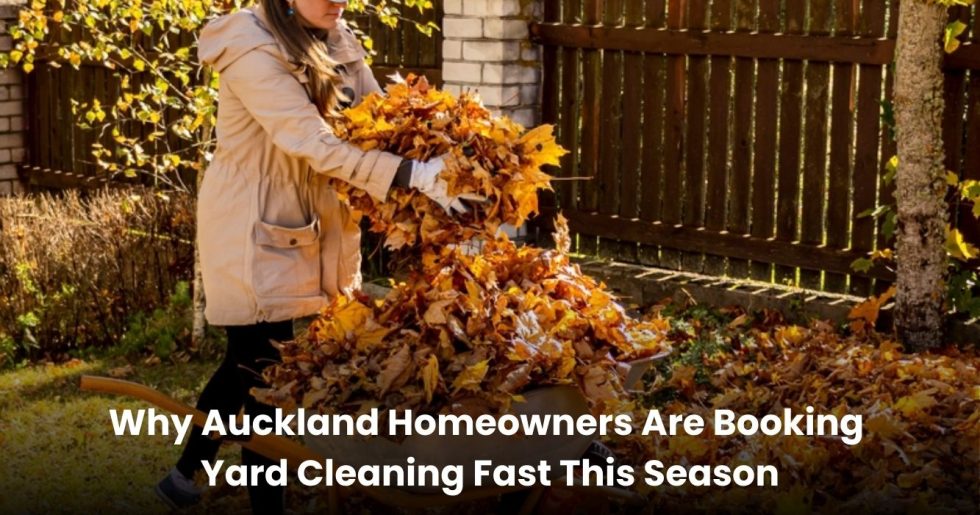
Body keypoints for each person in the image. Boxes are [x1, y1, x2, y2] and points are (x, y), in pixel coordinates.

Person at [154, 0, 475, 512]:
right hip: (252, 216)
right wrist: (409, 176)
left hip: (311, 211)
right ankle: (261, 502)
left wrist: (440, 151)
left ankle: (184, 474)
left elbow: (377, 118)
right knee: (266, 367)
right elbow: (308, 138)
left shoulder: (335, 35)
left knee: (249, 360)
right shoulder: (249, 46)